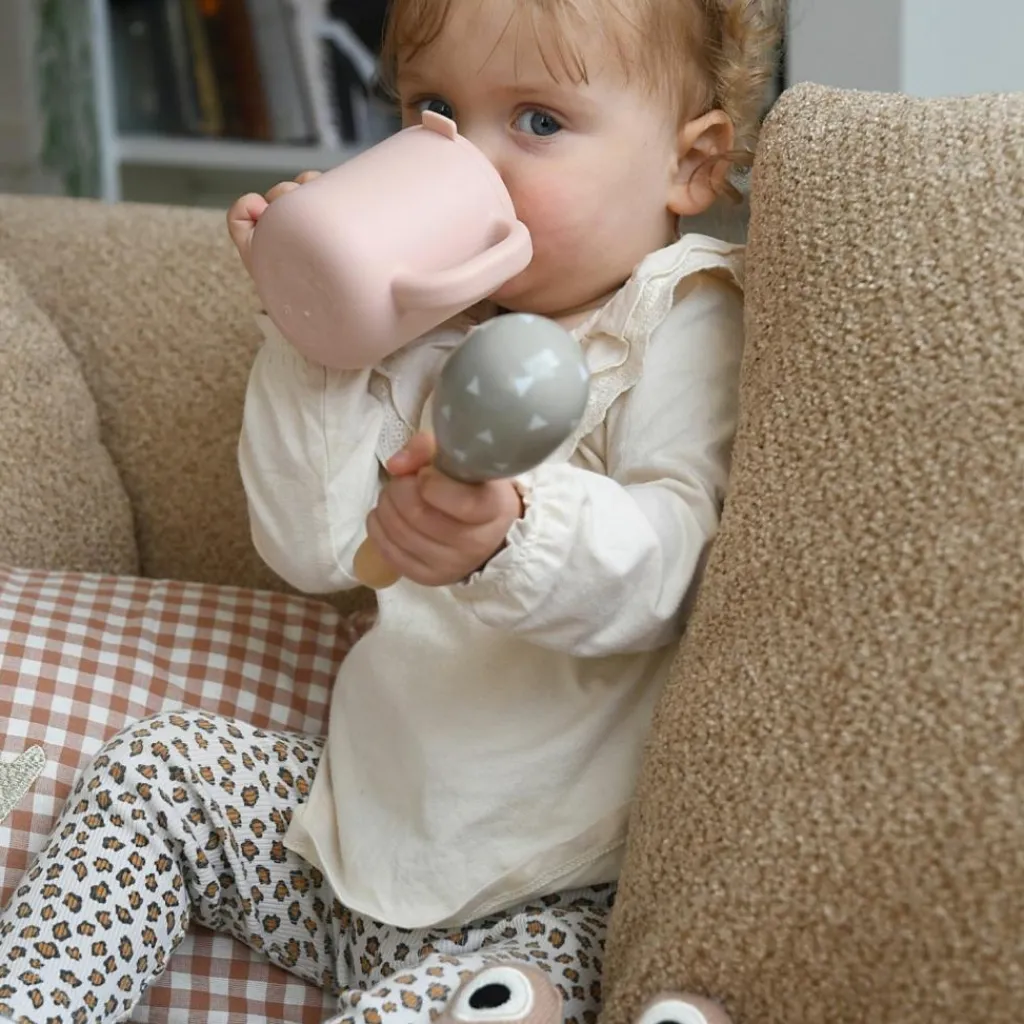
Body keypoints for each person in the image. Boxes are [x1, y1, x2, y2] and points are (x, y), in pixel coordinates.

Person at [0, 1, 781, 1021]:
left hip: (551, 881)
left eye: (538, 121)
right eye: (435, 107)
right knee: (157, 770)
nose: (474, 161)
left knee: (502, 998)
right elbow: (313, 547)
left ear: (690, 166)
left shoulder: (679, 318)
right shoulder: (428, 332)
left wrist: (517, 533)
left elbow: (674, 562)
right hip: (348, 841)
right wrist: (314, 339)